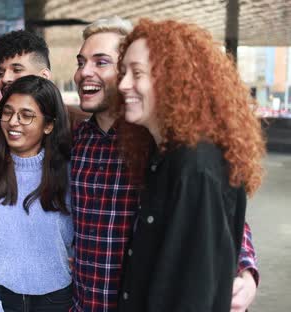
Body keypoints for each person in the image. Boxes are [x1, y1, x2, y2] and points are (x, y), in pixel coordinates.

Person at [70, 16, 259, 312]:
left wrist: (244, 269)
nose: (84, 73)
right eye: (81, 62)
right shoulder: (75, 139)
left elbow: (215, 213)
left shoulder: (159, 143)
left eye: (101, 62)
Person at [0, 75, 74, 311]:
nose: (13, 122)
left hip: (57, 298)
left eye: (26, 115)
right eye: (7, 112)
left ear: (49, 125)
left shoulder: (69, 170)